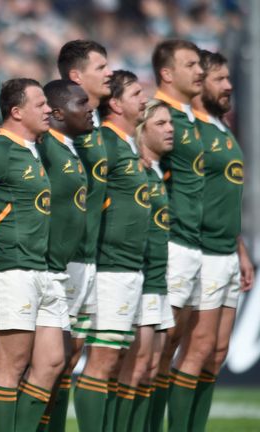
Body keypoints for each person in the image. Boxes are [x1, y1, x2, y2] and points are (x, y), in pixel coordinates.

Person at [181, 49, 253, 432]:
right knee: (196, 350)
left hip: (227, 250)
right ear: (199, 82)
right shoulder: (188, 130)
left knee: (216, 352)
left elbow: (223, 195)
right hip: (201, 250)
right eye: (220, 79)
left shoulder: (222, 128)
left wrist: (240, 249)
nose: (228, 86)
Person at [74, 70, 149, 432]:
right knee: (102, 361)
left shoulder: (128, 145)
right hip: (109, 266)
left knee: (117, 362)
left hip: (129, 266)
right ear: (116, 104)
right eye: (136, 94)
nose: (144, 99)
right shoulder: (105, 142)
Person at [48, 39, 112, 432]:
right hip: (65, 258)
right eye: (100, 67)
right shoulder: (57, 124)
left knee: (70, 359)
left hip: (89, 257)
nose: (109, 73)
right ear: (76, 75)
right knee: (52, 362)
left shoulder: (95, 123)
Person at [0, 78, 53, 431]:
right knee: (11, 365)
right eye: (40, 104)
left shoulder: (34, 149)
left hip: (39, 267)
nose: (49, 110)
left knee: (51, 362)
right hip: (11, 267)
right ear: (16, 112)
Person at [150, 40, 206, 432]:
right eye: (191, 65)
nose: (199, 71)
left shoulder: (191, 118)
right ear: (167, 73)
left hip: (194, 244)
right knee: (157, 347)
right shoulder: (158, 115)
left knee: (174, 348)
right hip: (170, 242)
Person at [36, 79, 93, 428]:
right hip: (45, 268)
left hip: (68, 266)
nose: (89, 108)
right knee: (44, 364)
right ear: (57, 113)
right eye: (81, 103)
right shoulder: (43, 145)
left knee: (64, 361)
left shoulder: (69, 147)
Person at [126, 99, 175, 432]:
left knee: (153, 366)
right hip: (139, 277)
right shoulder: (135, 170)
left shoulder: (158, 169)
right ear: (141, 130)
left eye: (170, 123)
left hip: (159, 277)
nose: (170, 129)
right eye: (160, 123)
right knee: (136, 365)